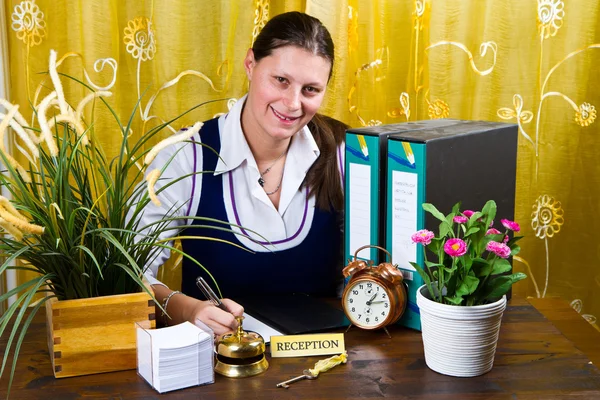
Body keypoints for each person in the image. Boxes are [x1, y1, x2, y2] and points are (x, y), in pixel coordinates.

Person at [140, 11, 346, 336]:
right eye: (281, 80)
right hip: (217, 367)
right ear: (250, 64)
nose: (293, 103)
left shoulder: (345, 154)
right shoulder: (185, 156)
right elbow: (128, 273)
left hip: (326, 362)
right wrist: (189, 309)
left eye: (310, 90)